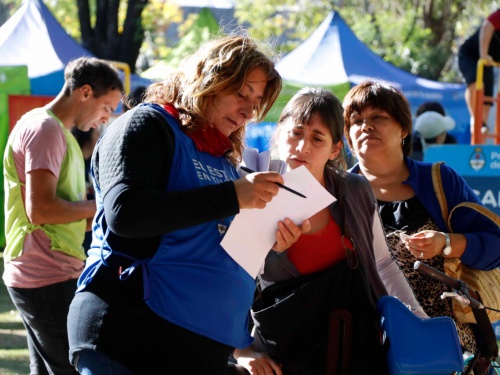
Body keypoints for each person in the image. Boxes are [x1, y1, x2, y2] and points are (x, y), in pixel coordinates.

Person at [67, 35, 288, 374]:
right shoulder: (145, 124)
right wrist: (233, 196)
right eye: (241, 93)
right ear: (207, 79)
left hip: (194, 349)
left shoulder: (223, 159)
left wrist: (269, 239)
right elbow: (125, 213)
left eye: (257, 101)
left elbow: (211, 244)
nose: (249, 110)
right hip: (129, 335)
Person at [233, 87, 427, 375]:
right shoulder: (250, 188)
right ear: (279, 133)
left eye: (317, 138)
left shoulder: (356, 190)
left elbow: (383, 264)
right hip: (282, 356)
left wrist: (419, 324)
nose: (302, 147)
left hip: (355, 349)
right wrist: (241, 351)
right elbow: (227, 276)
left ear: (335, 149)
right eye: (296, 133)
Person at [343, 80, 500, 355]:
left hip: (448, 349)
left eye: (378, 117)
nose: (366, 126)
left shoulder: (440, 180)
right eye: (356, 121)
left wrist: (447, 243)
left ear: (403, 129)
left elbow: (494, 246)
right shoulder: (339, 192)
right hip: (368, 352)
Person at [3, 57, 123, 375]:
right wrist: (106, 204)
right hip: (43, 272)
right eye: (107, 108)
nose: (103, 119)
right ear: (85, 93)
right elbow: (41, 209)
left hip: (52, 269)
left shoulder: (59, 132)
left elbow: (68, 213)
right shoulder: (45, 129)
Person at [458, 9, 500, 131]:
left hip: (489, 63)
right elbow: (487, 26)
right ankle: (476, 120)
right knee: (475, 82)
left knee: (487, 100)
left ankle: (481, 130)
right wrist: (483, 54)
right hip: (471, 55)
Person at [70, 126, 101, 251]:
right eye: (96, 134)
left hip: (94, 228)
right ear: (87, 137)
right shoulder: (72, 163)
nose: (100, 138)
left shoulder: (97, 163)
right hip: (76, 228)